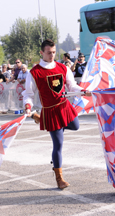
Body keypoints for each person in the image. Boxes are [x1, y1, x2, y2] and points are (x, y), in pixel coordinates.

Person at [22, 39, 91, 189]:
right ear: (41, 53)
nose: (52, 55)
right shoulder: (34, 73)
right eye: (48, 53)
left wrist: (84, 92)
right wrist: (28, 106)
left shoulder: (62, 67)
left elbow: (71, 86)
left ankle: (40, 119)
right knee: (58, 144)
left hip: (64, 106)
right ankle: (59, 178)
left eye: (54, 52)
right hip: (51, 110)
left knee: (76, 126)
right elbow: (28, 93)